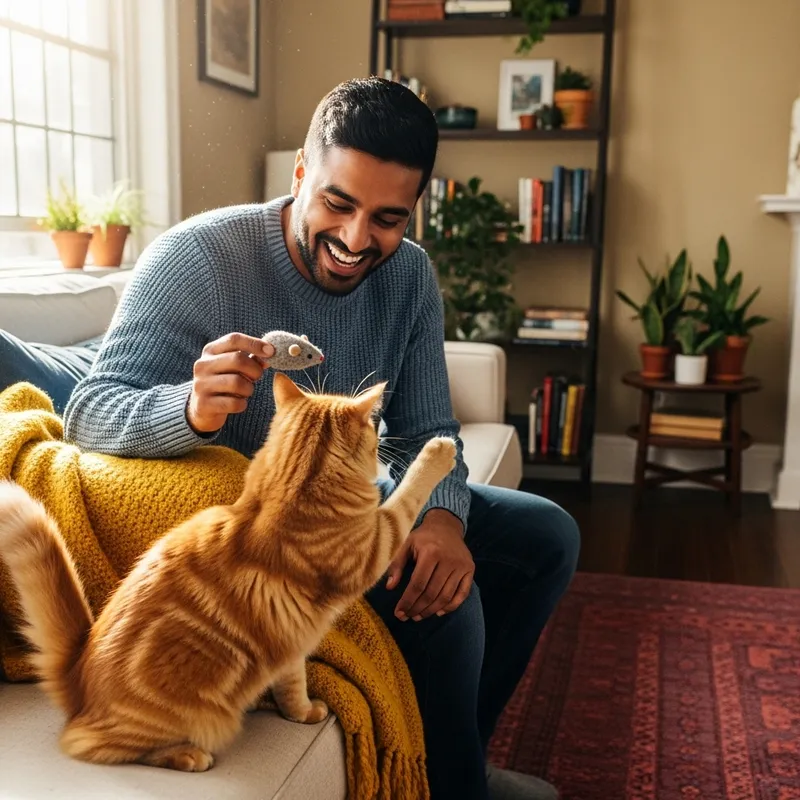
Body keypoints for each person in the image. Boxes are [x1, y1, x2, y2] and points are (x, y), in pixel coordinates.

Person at [63, 77, 579, 800]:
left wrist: (439, 516)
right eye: (338, 203)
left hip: (352, 504)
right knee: (448, 608)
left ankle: (453, 756)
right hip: (266, 546)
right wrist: (190, 409)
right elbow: (87, 413)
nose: (355, 240)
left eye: (388, 218)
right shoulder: (197, 259)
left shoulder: (410, 276)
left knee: (547, 535)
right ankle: (453, 786)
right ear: (301, 173)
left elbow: (430, 428)